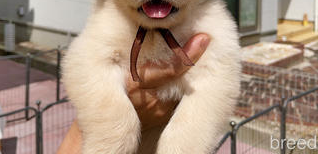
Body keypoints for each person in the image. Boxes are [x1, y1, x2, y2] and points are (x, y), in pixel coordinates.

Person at [57, 34, 211, 154]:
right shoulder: (109, 16)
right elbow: (80, 64)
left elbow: (220, 77)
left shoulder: (208, 20)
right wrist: (115, 131)